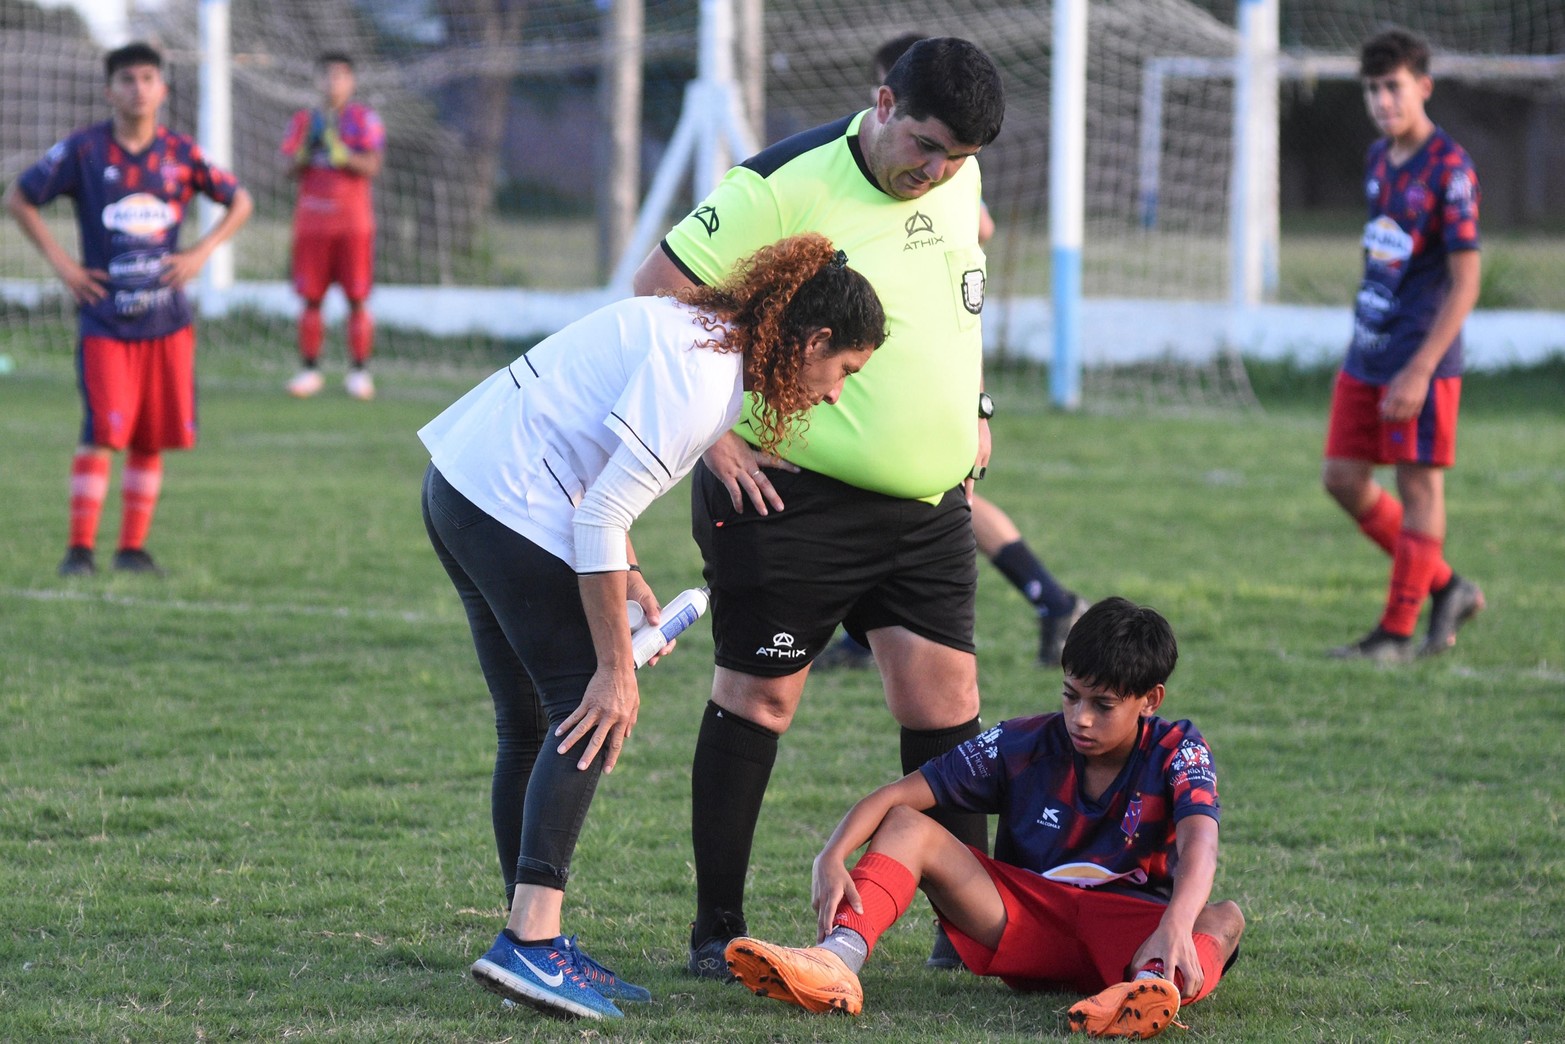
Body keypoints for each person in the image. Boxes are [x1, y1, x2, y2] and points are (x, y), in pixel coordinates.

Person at [419, 233, 886, 1020]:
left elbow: (595, 463)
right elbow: (600, 510)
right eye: (843, 370)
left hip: (462, 485)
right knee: (587, 711)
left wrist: (629, 574)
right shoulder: (706, 379)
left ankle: (530, 943)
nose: (837, 392)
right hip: (504, 502)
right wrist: (614, 668)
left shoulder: (701, 333)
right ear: (811, 341)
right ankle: (531, 946)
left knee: (532, 725)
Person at [631, 36, 1005, 977]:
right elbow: (653, 298)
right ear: (882, 102)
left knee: (946, 699)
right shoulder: (779, 185)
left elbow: (960, 299)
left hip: (926, 505)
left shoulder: (954, 183)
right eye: (924, 144)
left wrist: (976, 409)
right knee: (761, 695)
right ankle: (716, 930)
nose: (936, 170)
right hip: (789, 494)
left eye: (957, 157)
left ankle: (964, 931)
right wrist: (711, 438)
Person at [724, 598, 1245, 1040]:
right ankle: (835, 962)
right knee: (908, 824)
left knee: (1223, 918)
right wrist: (832, 853)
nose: (1080, 717)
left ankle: (1146, 993)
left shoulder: (1180, 749)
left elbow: (1201, 844)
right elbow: (894, 797)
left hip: (1130, 938)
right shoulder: (1022, 743)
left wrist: (1175, 923)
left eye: (1103, 705)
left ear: (1151, 700)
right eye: (1070, 695)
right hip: (1025, 925)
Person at [816, 32, 1088, 674]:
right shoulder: (846, 170)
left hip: (919, 372)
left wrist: (976, 402)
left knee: (936, 504)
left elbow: (980, 226)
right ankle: (870, 633)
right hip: (871, 376)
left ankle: (1051, 597)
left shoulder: (936, 178)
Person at [4, 41, 253, 578]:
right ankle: (79, 551)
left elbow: (241, 201)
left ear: (162, 88)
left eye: (147, 78)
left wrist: (200, 252)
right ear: (108, 90)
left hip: (167, 321)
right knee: (101, 430)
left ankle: (132, 549)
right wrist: (65, 267)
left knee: (149, 435)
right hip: (105, 320)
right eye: (127, 80)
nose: (138, 89)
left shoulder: (182, 154)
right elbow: (20, 199)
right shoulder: (84, 151)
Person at [1323, 28, 1485, 663]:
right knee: (1341, 477)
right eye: (1372, 89)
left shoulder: (1451, 168)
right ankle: (1448, 585)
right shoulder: (1376, 159)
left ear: (1423, 85)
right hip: (1367, 351)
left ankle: (1394, 633)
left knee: (1420, 489)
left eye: (1393, 86)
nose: (1382, 100)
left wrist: (1420, 369)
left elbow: (1466, 282)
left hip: (1422, 357)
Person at [279, 51, 385, 401]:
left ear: (351, 81)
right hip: (312, 222)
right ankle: (310, 370)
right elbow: (285, 168)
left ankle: (359, 372)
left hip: (353, 224)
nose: (332, 83)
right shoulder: (304, 121)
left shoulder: (363, 119)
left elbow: (372, 165)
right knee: (311, 298)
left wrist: (344, 156)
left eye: (340, 76)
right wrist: (306, 154)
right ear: (317, 80)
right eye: (326, 76)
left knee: (357, 297)